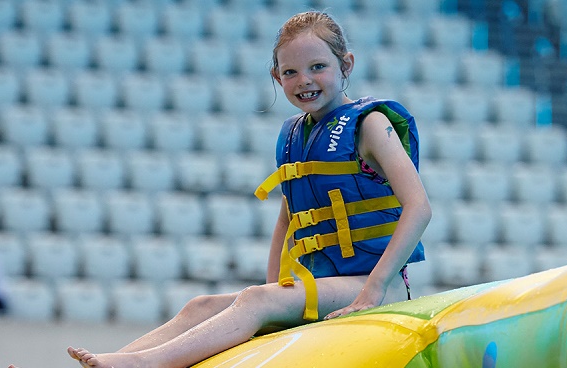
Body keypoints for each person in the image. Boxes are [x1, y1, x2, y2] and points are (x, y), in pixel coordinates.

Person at [60, 10, 431, 368]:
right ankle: (109, 362)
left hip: (375, 286)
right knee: (200, 306)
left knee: (254, 300)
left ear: (346, 65)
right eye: (291, 72)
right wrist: (277, 289)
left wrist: (375, 288)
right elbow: (288, 223)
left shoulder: (370, 124)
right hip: (320, 285)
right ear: (276, 76)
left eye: (318, 67)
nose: (304, 80)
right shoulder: (294, 136)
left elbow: (419, 207)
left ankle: (146, 364)